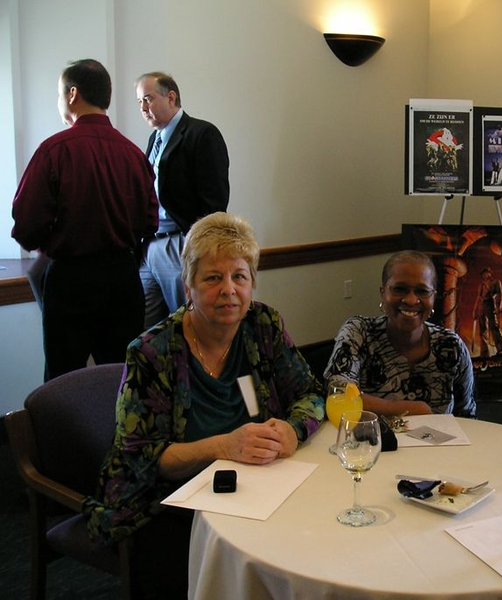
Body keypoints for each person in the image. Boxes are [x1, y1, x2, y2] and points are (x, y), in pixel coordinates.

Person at [84, 212, 324, 598]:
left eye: (239, 276)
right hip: (164, 504)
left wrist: (293, 429)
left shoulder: (264, 326)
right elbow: (142, 459)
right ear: (188, 287)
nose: (228, 289)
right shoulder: (152, 352)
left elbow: (311, 394)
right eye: (213, 277)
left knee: (310, 538)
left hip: (255, 487)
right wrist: (222, 446)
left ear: (252, 284)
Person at [11, 59, 158, 381]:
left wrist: (49, 240)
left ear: (72, 94)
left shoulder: (54, 150)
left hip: (71, 279)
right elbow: (150, 222)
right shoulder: (134, 155)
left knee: (63, 377)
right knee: (122, 380)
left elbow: (26, 222)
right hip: (123, 279)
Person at [325, 250, 475, 418]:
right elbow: (337, 394)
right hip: (370, 442)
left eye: (422, 291)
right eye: (399, 289)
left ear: (434, 297)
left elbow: (467, 416)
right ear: (383, 293)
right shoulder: (359, 332)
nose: (411, 300)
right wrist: (412, 409)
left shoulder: (451, 346)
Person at [135, 71, 230, 328]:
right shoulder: (154, 139)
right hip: (149, 246)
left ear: (171, 97)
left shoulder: (201, 133)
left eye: (148, 99)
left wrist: (194, 248)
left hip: (179, 245)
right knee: (146, 333)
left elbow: (215, 202)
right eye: (139, 102)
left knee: (188, 326)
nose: (143, 108)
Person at [473, 267, 502, 357]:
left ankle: (500, 350)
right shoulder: (481, 285)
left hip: (490, 304)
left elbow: (499, 294)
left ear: (490, 273)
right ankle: (484, 352)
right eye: (483, 274)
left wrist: (499, 307)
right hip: (481, 306)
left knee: (494, 327)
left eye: (486, 273)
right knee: (482, 329)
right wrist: (475, 310)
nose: (484, 275)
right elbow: (478, 298)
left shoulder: (495, 282)